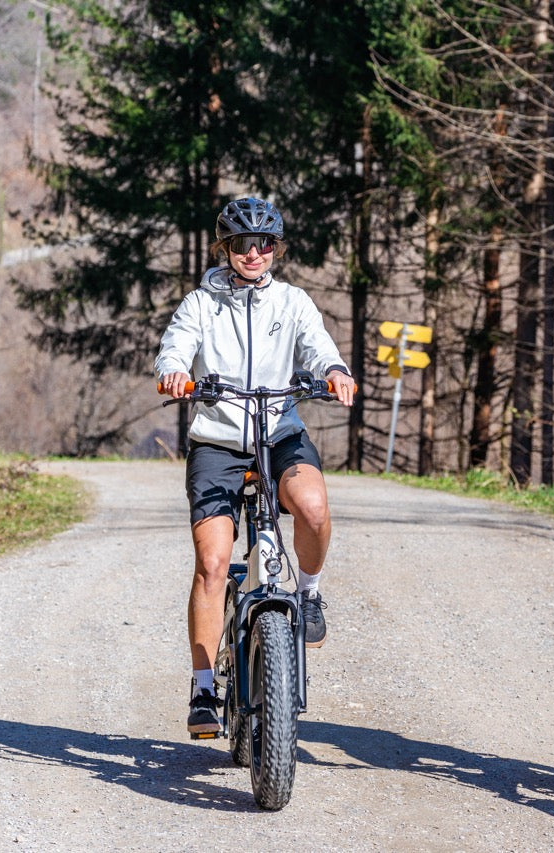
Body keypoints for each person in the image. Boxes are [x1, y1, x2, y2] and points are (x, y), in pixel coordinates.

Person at [155, 197, 356, 735]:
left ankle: (309, 594)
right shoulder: (201, 304)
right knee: (213, 562)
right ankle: (202, 687)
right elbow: (175, 347)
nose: (255, 253)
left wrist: (334, 370)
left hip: (279, 434)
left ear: (276, 249)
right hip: (218, 442)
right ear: (225, 248)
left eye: (265, 244)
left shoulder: (291, 302)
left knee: (313, 508)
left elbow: (318, 347)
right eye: (243, 244)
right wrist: (175, 371)